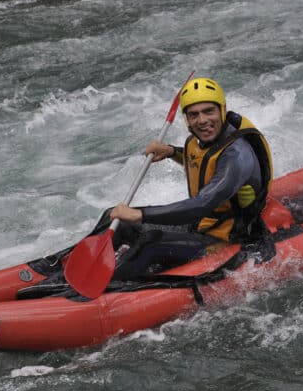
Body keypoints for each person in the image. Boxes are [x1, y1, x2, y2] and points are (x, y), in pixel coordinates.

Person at [106, 77, 274, 281]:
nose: (202, 120)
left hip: (227, 237)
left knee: (150, 242)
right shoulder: (197, 141)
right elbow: (202, 161)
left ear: (222, 109)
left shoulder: (237, 156)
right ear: (186, 119)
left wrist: (140, 214)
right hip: (202, 225)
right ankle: (68, 269)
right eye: (194, 115)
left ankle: (98, 294)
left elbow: (202, 204)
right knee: (116, 219)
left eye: (209, 111)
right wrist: (170, 151)